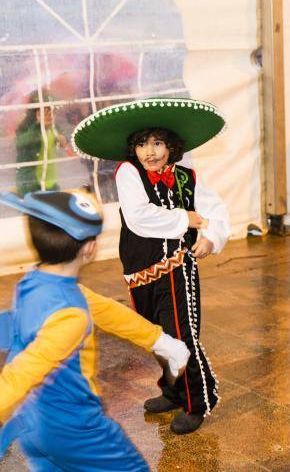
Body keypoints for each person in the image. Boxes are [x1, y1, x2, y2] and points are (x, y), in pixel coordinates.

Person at [71, 98, 231, 434]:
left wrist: (211, 236)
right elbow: (139, 217)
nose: (150, 152)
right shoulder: (129, 173)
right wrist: (185, 217)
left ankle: (197, 401)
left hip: (177, 266)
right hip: (139, 270)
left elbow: (216, 211)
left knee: (181, 334)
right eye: (142, 144)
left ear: (172, 146)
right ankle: (172, 391)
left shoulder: (187, 178)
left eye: (158, 143)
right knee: (155, 335)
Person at [0, 189, 189, 470]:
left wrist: (160, 340)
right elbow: (21, 374)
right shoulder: (71, 313)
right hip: (76, 429)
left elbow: (107, 311)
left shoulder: (33, 284)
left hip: (36, 424)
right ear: (89, 248)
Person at [15, 90, 69, 195]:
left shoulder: (53, 126)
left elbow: (62, 137)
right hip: (31, 184)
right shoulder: (25, 127)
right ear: (35, 112)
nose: (51, 115)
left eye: (53, 112)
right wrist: (39, 126)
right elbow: (20, 143)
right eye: (46, 112)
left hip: (50, 181)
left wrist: (63, 139)